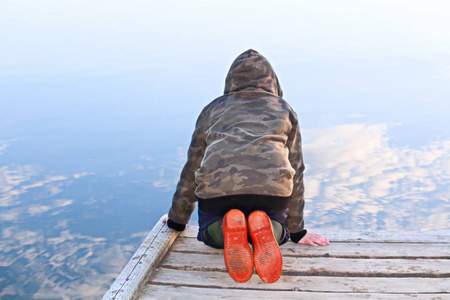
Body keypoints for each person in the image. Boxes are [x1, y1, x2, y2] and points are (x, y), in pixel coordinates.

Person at [165, 49, 329, 283]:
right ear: (272, 81)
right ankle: (269, 228)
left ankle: (224, 228)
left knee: (208, 233)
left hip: (218, 193)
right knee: (278, 231)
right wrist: (297, 230)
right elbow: (297, 169)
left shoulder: (213, 109)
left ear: (231, 81)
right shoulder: (284, 109)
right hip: (271, 193)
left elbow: (193, 167)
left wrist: (176, 220)